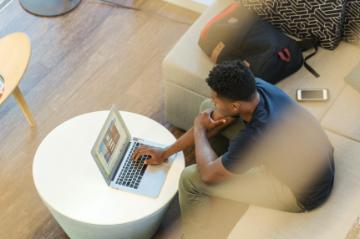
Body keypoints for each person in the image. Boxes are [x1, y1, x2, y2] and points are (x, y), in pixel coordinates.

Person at [133, 61, 335, 239]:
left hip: (300, 193)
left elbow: (207, 176)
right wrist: (164, 152)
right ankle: (225, 164)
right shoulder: (257, 87)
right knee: (209, 111)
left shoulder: (257, 134)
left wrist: (201, 131)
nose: (213, 100)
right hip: (316, 159)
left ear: (236, 106)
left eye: (216, 98)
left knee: (190, 179)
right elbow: (220, 116)